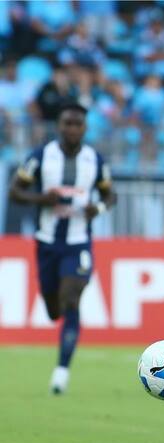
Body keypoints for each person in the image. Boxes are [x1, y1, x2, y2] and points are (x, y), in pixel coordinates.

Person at [9, 102, 115, 394]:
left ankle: (61, 372)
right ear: (59, 126)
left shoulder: (95, 160)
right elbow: (15, 190)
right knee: (53, 308)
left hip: (78, 242)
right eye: (67, 123)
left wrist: (100, 207)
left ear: (84, 128)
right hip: (46, 242)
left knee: (71, 299)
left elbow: (111, 195)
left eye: (77, 124)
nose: (72, 129)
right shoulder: (41, 157)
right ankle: (57, 319)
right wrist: (41, 199)